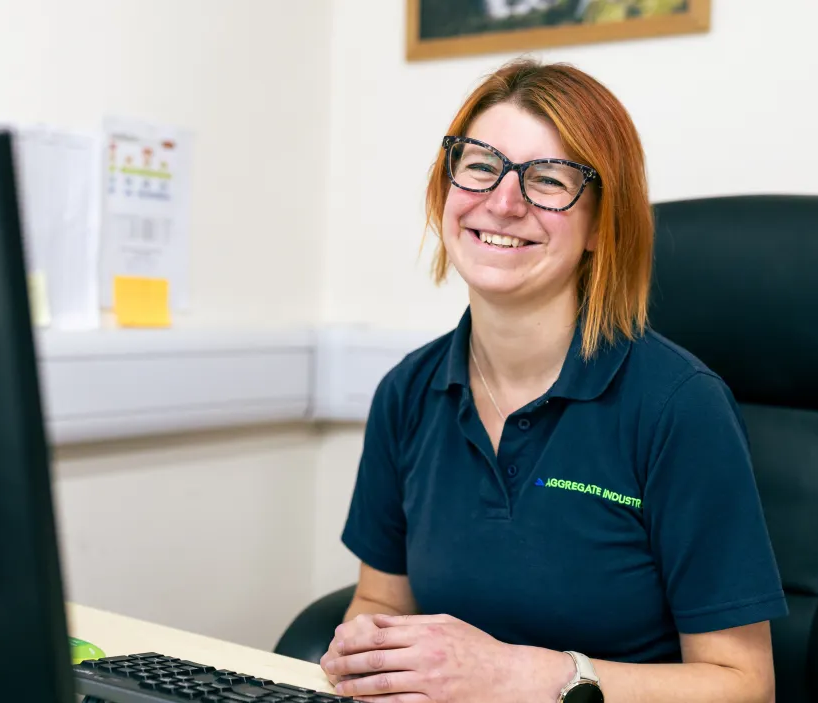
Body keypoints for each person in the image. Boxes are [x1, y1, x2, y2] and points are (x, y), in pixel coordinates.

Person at [320, 58, 788, 703]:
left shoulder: (679, 405)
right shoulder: (407, 391)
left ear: (601, 224)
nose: (503, 202)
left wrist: (524, 676)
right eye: (481, 166)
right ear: (445, 189)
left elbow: (744, 685)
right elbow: (381, 596)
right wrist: (366, 647)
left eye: (548, 180)